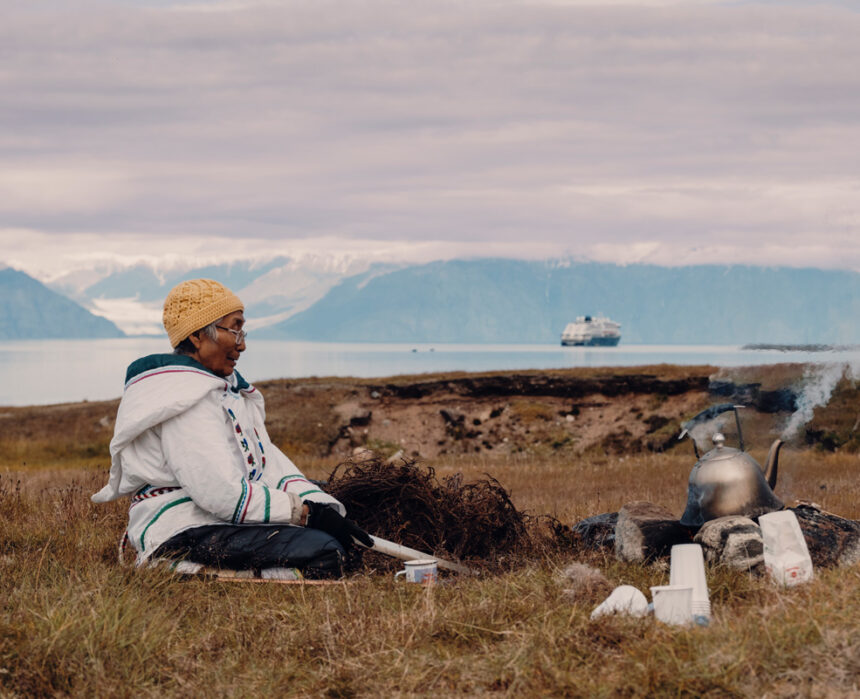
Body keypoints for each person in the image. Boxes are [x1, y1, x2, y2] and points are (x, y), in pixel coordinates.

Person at [92, 278, 372, 578]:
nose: (242, 343)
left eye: (243, 330)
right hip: (182, 527)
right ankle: (175, 566)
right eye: (234, 329)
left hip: (215, 521)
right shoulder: (183, 399)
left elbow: (270, 466)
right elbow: (219, 492)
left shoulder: (223, 392)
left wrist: (324, 508)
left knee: (340, 536)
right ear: (198, 335)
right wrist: (305, 514)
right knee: (327, 553)